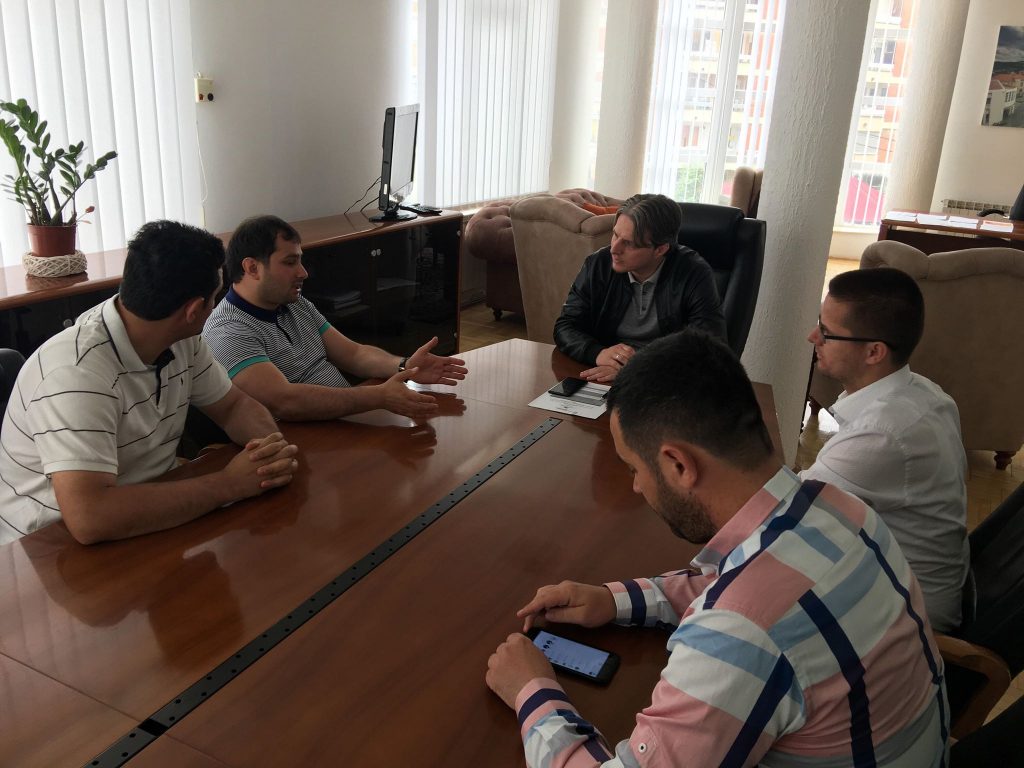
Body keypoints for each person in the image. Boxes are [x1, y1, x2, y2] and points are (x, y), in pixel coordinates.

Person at [486, 330, 948, 767]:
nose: (636, 487)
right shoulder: (840, 507)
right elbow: (741, 588)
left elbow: (748, 614)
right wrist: (613, 601)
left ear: (678, 465)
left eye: (634, 469)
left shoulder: (743, 632)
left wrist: (532, 691)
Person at [0, 221, 298, 546]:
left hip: (149, 508)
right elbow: (90, 517)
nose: (217, 305)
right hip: (49, 546)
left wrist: (270, 454)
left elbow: (234, 406)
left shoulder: (181, 338)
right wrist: (230, 484)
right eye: (216, 296)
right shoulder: (75, 372)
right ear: (193, 310)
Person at [802, 267, 968, 633]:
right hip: (897, 584)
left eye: (826, 332)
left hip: (908, 622)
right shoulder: (926, 392)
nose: (813, 337)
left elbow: (785, 513)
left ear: (874, 352)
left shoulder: (883, 433)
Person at [202, 215, 468, 421]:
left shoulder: (294, 304)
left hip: (345, 420)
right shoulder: (228, 331)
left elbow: (354, 354)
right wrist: (378, 397)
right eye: (290, 262)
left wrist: (405, 366)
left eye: (300, 261)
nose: (303, 273)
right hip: (307, 440)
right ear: (252, 267)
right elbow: (284, 401)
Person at [553, 194, 726, 383]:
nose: (614, 249)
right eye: (615, 235)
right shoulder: (598, 264)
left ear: (660, 249)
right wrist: (598, 353)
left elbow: (709, 349)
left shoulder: (694, 273)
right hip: (605, 373)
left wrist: (638, 370)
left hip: (664, 382)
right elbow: (565, 326)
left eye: (628, 243)